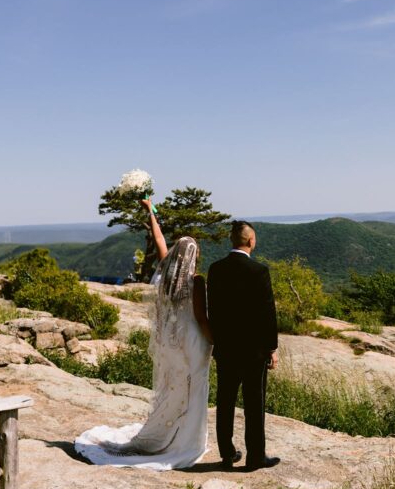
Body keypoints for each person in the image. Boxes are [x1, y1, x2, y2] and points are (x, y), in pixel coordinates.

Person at [74, 199, 212, 470]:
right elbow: (201, 317)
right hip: (193, 341)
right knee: (195, 387)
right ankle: (188, 443)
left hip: (172, 342)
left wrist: (151, 212)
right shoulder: (195, 282)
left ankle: (169, 433)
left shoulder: (164, 279)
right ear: (193, 258)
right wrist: (216, 340)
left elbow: (159, 239)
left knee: (174, 387)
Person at [207, 220, 280, 471]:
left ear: (232, 241)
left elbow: (212, 311)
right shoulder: (259, 271)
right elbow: (267, 314)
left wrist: (217, 341)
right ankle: (255, 457)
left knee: (225, 402)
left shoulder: (216, 269)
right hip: (253, 351)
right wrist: (272, 348)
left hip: (225, 349)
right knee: (254, 404)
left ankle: (226, 454)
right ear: (250, 241)